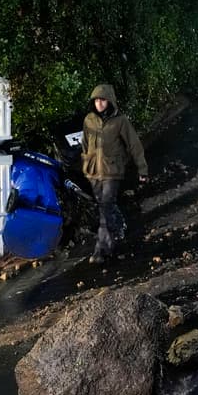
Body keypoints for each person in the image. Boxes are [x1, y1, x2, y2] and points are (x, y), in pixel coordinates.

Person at [80, 83, 148, 263]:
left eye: (103, 100)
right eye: (96, 100)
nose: (99, 104)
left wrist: (142, 169)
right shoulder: (88, 120)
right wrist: (86, 165)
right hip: (93, 172)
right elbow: (85, 145)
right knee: (104, 206)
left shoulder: (121, 121)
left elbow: (134, 145)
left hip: (112, 171)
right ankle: (114, 235)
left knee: (105, 205)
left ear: (110, 101)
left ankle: (99, 250)